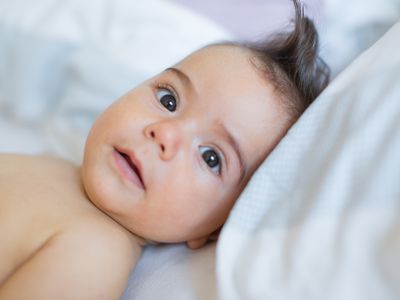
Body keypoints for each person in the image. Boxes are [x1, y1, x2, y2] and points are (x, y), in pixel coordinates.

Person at [0, 0, 329, 298]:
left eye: (210, 157)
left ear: (218, 228)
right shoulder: (56, 164)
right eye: (167, 100)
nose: (164, 134)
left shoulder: (95, 253)